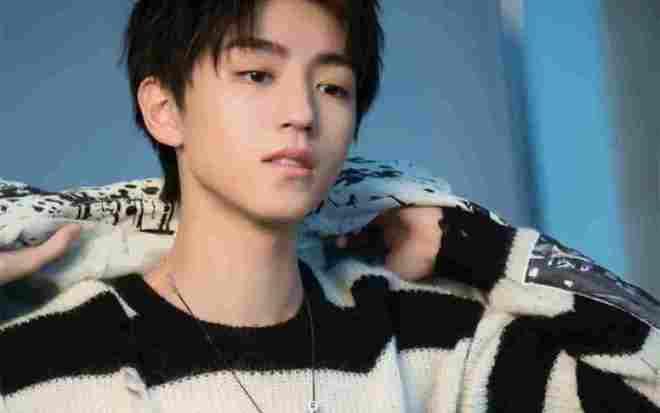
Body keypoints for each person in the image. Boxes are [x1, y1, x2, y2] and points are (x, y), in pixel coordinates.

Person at [2, 0, 660, 411]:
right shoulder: (48, 356)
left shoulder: (430, 342)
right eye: (258, 74)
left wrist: (480, 247)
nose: (301, 113)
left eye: (333, 86)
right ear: (164, 109)